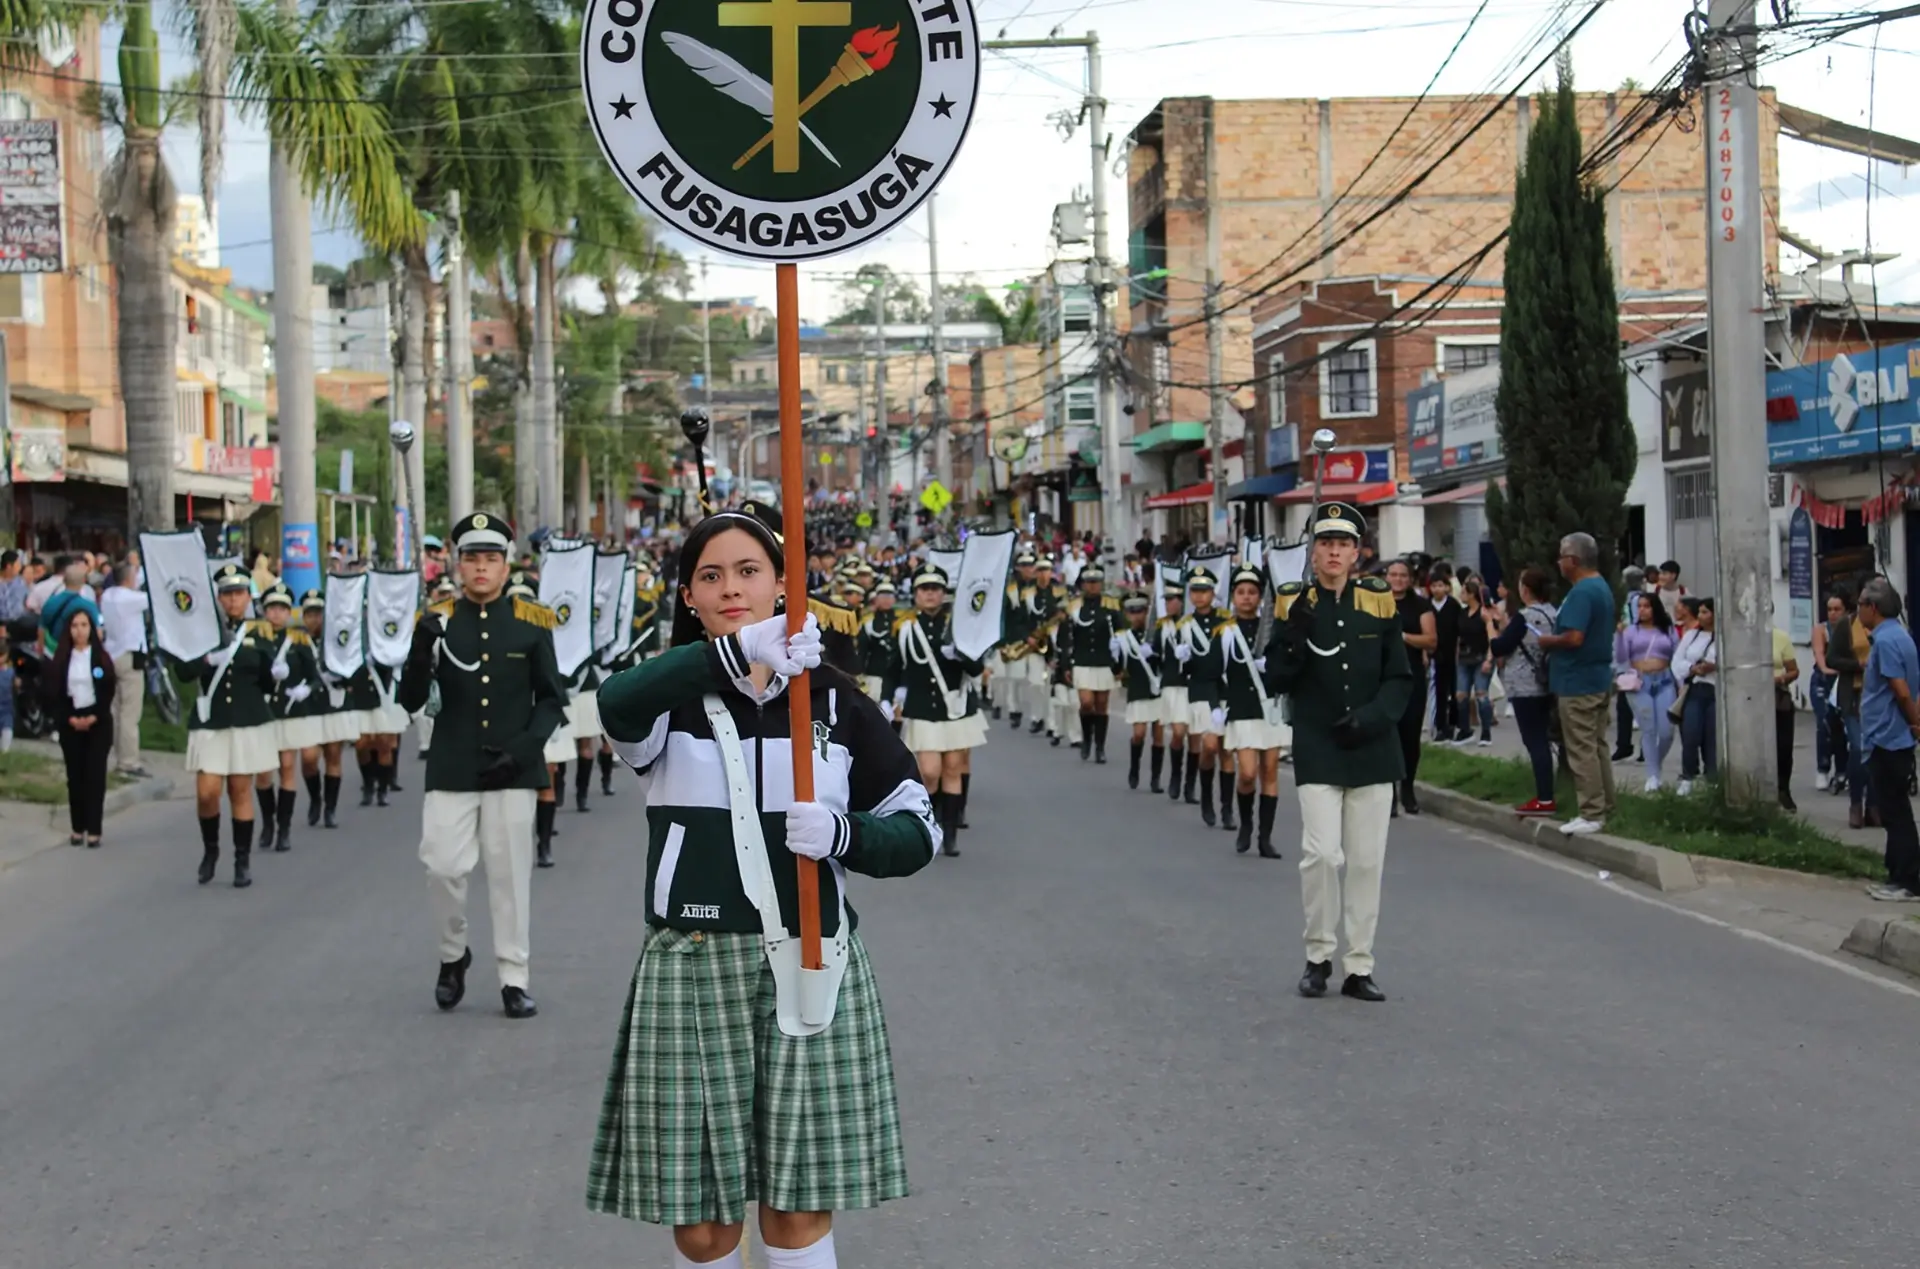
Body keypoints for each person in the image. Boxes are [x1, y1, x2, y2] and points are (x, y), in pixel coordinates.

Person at [587, 504, 936, 1269]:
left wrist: (846, 836)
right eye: (710, 576)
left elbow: (920, 831)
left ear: (783, 584)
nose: (730, 587)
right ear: (688, 596)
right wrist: (735, 650)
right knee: (704, 1224)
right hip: (691, 965)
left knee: (797, 1206)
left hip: (812, 961)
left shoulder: (834, 698)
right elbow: (613, 705)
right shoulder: (666, 698)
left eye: (749, 571)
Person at [398, 512, 568, 1020]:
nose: (480, 568)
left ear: (505, 564)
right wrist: (420, 648)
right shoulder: (438, 620)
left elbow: (552, 700)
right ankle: (454, 955)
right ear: (457, 563)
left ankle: (514, 976)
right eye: (471, 558)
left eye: (490, 559)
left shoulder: (530, 621)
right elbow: (409, 699)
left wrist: (524, 751)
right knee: (443, 868)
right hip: (451, 767)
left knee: (509, 878)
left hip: (512, 769)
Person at [1265, 502, 1411, 1002]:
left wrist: (1371, 719)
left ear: (1356, 552)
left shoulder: (1378, 601)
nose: (1333, 551)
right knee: (1322, 855)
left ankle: (1358, 965)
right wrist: (1293, 638)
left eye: (1342, 544)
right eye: (1325, 542)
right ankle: (1318, 956)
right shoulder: (1291, 602)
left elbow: (1399, 678)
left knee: (1367, 863)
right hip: (1319, 745)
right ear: (1314, 550)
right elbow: (1275, 679)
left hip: (1371, 747)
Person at [178, 563, 281, 887]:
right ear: (218, 598)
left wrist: (277, 677)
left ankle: (242, 861)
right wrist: (206, 660)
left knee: (240, 789)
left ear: (248, 596)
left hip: (247, 720)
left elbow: (268, 683)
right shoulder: (202, 630)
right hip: (212, 721)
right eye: (227, 594)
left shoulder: (260, 632)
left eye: (238, 593)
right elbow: (183, 671)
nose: (233, 600)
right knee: (207, 792)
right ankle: (211, 851)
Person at [884, 563, 983, 856]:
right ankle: (932, 821)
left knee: (953, 768)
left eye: (935, 589)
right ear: (915, 594)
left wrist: (962, 655)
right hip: (923, 708)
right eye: (924, 589)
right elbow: (893, 668)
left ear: (943, 594)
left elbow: (977, 668)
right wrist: (887, 699)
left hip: (955, 708)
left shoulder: (958, 626)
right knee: (929, 772)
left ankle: (950, 834)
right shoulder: (904, 627)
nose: (930, 595)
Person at [1537, 533, 1616, 835]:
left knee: (1581, 748)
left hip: (1578, 682)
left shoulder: (1582, 592)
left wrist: (1546, 641)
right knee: (1597, 746)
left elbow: (1574, 637)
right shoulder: (1601, 586)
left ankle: (1591, 812)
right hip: (1596, 678)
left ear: (1573, 560)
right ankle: (1606, 804)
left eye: (1561, 556)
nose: (1558, 562)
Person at [1213, 565, 1287, 858]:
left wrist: (1273, 667)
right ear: (1233, 596)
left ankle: (1264, 838)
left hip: (1269, 708)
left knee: (1269, 770)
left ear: (1260, 597)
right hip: (1241, 708)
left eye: (1252, 592)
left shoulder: (1273, 628)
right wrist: (1215, 705)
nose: (1246, 598)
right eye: (1241, 592)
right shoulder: (1225, 632)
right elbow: (1212, 672)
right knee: (1247, 773)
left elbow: (1290, 664)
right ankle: (1245, 825)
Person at [1856, 578, 1920, 902]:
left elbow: (1902, 690)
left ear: (1873, 608)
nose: (1858, 612)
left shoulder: (1886, 642)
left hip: (1888, 737)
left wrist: (1914, 723)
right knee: (1893, 809)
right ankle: (1896, 874)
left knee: (1895, 811)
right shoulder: (1901, 635)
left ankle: (1908, 880)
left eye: (1860, 606)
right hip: (1890, 735)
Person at [256, 583, 324, 853]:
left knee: (287, 768)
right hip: (263, 713)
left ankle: (283, 829)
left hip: (292, 711)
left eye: (282, 609)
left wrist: (307, 688)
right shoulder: (254, 638)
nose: (276, 614)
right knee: (262, 774)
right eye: (272, 608)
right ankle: (267, 823)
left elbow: (315, 675)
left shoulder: (299, 640)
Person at [1491, 567, 1560, 815]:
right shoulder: (1554, 613)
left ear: (1525, 590)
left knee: (1536, 742)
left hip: (1524, 685)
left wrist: (1492, 627)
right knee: (1547, 738)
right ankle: (1550, 792)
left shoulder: (1525, 617)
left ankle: (1544, 798)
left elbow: (1501, 646)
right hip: (1549, 682)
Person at [45, 606, 115, 848]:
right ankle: (78, 827)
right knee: (76, 776)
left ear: (91, 628)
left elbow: (107, 689)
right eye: (75, 626)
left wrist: (94, 716)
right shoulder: (64, 658)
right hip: (70, 720)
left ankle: (95, 829)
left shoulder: (100, 658)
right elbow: (55, 693)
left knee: (95, 776)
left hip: (98, 721)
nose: (79, 631)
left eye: (84, 625)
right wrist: (70, 719)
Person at [1176, 567, 1231, 828]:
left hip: (1226, 690)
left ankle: (1228, 808)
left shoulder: (1227, 620)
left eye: (1204, 591)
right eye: (1195, 592)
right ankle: (1207, 797)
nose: (1199, 597)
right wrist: (1182, 659)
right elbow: (1182, 670)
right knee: (1209, 746)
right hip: (1200, 690)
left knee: (1227, 751)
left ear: (1212, 593)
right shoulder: (1184, 626)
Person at [298, 589, 351, 828]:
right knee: (309, 758)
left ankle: (330, 808)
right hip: (308, 706)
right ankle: (315, 799)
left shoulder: (336, 639)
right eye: (309, 614)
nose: (314, 619)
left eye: (318, 613)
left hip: (332, 703)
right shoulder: (297, 639)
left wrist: (339, 676)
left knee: (333, 756)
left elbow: (350, 667)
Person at [1386, 559, 1436, 815]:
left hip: (1411, 675)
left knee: (1409, 735)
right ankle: (1388, 795)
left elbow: (1431, 640)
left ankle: (1408, 788)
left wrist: (1403, 636)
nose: (1398, 579)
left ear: (1410, 579)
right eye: (1393, 575)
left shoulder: (1420, 605)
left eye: (1402, 575)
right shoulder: (1376, 601)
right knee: (1386, 735)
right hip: (1381, 677)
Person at [1614, 593, 1678, 792]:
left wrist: (1681, 683)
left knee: (1667, 732)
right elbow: (1621, 657)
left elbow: (1677, 655)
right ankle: (1653, 775)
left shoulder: (1668, 630)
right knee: (1648, 729)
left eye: (1647, 606)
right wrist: (1619, 635)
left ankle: (1655, 763)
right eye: (1639, 606)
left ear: (1655, 608)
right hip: (1639, 682)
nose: (1642, 610)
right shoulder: (1631, 631)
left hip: (1665, 680)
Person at [1061, 563, 1122, 763]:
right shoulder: (1075, 607)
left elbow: (1120, 635)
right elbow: (1067, 637)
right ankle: (1086, 739)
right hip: (1082, 660)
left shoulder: (1111, 606)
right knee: (1087, 703)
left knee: (1102, 705)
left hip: (1104, 660)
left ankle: (1100, 747)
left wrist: (1120, 663)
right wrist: (1066, 664)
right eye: (1089, 582)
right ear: (1083, 584)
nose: (1093, 586)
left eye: (1096, 582)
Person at [99, 561, 150, 777]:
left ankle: (117, 755)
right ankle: (128, 761)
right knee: (130, 712)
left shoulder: (108, 596)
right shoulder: (131, 598)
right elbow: (154, 598)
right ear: (128, 579)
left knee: (116, 710)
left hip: (111, 654)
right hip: (130, 656)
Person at [1115, 591, 1166, 791]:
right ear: (1127, 614)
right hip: (1138, 687)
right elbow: (1117, 670)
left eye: (1141, 611)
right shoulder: (1123, 638)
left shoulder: (1157, 634)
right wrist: (1115, 656)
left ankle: (1156, 778)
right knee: (1139, 733)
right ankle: (1134, 769)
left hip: (1158, 687)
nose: (1137, 616)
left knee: (1159, 735)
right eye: (1132, 612)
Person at [1671, 597, 1718, 794]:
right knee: (1690, 733)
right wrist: (1692, 668)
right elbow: (1676, 662)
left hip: (1716, 689)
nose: (1701, 616)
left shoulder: (1727, 637)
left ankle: (1713, 777)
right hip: (1695, 688)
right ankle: (1688, 776)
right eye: (1699, 612)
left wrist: (1714, 667)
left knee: (1712, 737)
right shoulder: (1691, 635)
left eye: (1705, 612)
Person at [1453, 579, 1495, 745]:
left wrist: (1489, 659)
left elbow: (1492, 637)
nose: (1461, 595)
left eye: (1463, 592)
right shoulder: (1462, 614)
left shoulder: (1484, 614)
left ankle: (1486, 733)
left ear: (1471, 594)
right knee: (1460, 695)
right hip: (1464, 658)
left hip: (1481, 657)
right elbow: (1458, 637)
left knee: (1481, 694)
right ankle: (1465, 730)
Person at [1426, 565, 1462, 742]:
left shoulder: (1453, 606)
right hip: (1434, 653)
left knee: (1455, 691)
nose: (1437, 589)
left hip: (1451, 653)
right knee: (1439, 691)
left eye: (1441, 585)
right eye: (1434, 586)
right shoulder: (1426, 606)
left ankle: (1454, 725)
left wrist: (1458, 650)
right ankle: (1440, 726)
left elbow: (1459, 630)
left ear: (1447, 587)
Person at [1773, 626, 1800, 811]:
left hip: (1777, 695)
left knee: (1783, 746)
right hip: (1749, 697)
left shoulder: (1780, 637)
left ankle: (1783, 789)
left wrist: (1781, 679)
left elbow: (1793, 670)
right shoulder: (1741, 636)